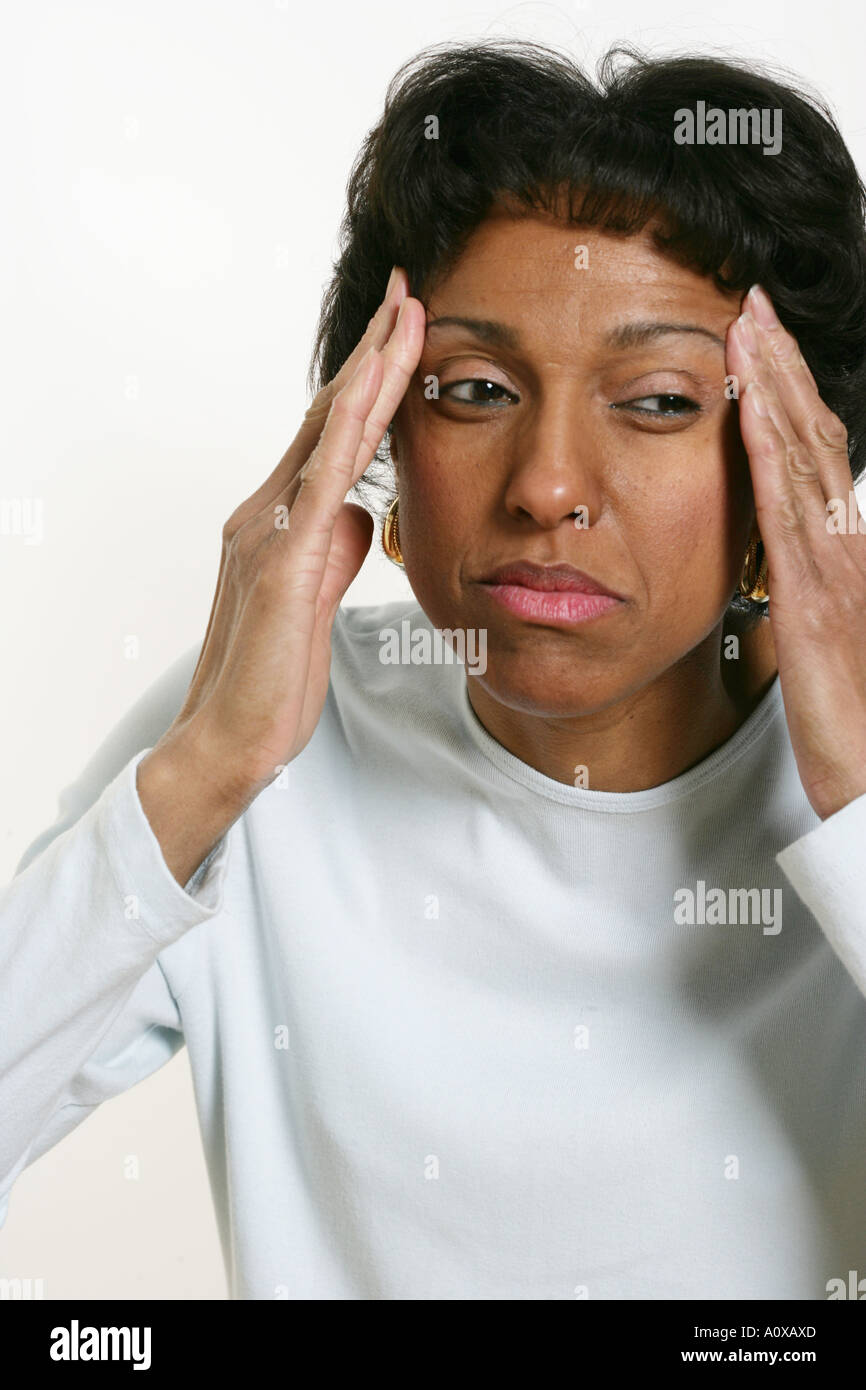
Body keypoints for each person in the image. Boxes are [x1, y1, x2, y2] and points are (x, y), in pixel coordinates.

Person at [3, 38, 866, 1301]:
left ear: (790, 461)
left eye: (660, 401)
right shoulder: (262, 738)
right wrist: (201, 773)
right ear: (380, 429)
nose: (547, 488)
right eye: (472, 388)